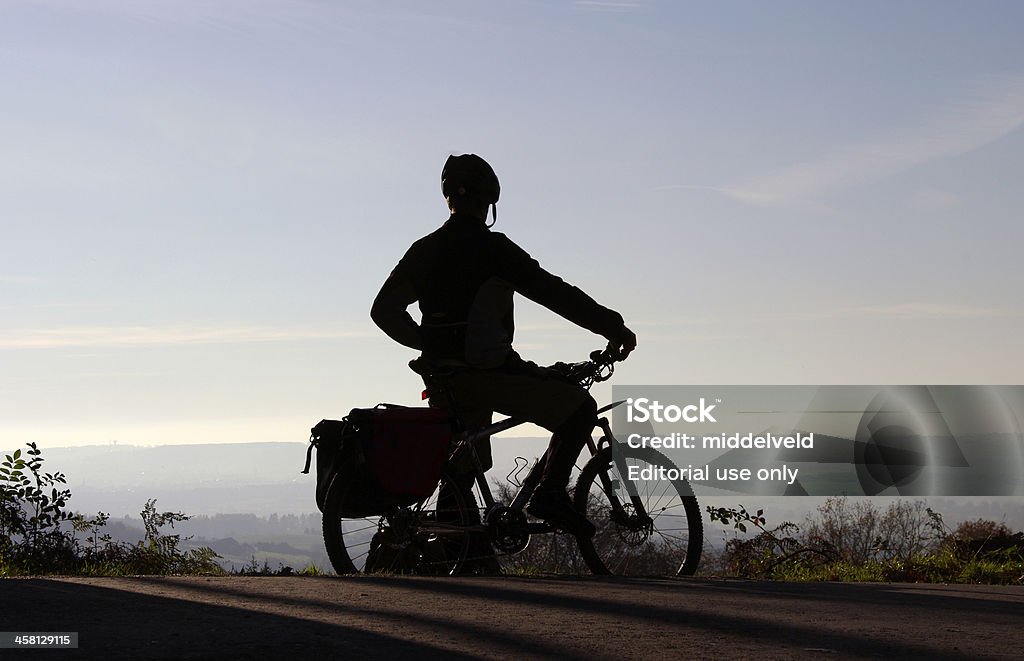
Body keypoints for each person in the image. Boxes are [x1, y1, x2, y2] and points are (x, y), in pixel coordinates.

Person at [371, 153, 636, 538]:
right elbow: (554, 293)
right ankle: (550, 495)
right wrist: (612, 326)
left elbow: (384, 310)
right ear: (488, 201)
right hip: (486, 372)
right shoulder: (491, 248)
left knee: (463, 466)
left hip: (445, 378)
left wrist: (430, 344)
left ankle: (461, 556)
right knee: (579, 408)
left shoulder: (425, 250)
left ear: (448, 198)